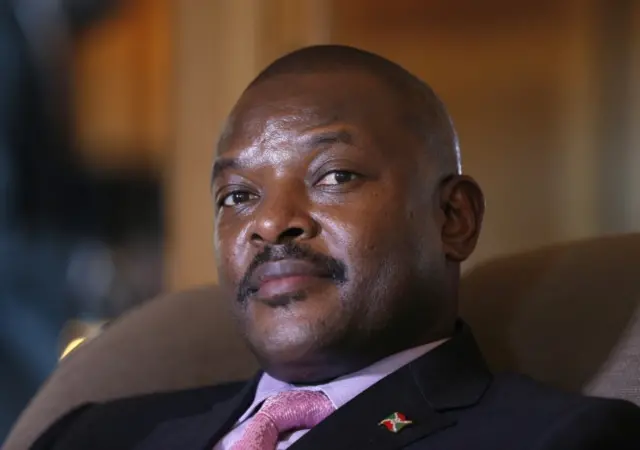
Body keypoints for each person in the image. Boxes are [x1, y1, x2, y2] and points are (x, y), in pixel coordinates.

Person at [30, 45, 640, 450]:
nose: (271, 224)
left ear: (454, 218)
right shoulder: (92, 434)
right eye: (237, 196)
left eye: (334, 176)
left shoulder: (558, 439)